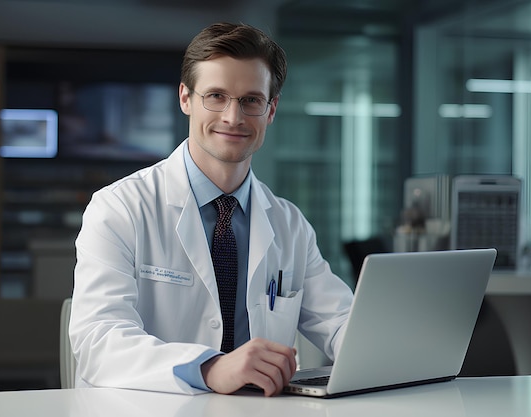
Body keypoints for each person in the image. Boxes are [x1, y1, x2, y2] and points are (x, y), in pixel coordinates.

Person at [69, 22, 353, 397]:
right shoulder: (119, 208)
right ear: (185, 98)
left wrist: (390, 350)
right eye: (216, 96)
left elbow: (341, 323)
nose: (233, 118)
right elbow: (98, 340)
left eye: (251, 100)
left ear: (271, 110)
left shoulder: (289, 224)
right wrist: (209, 367)